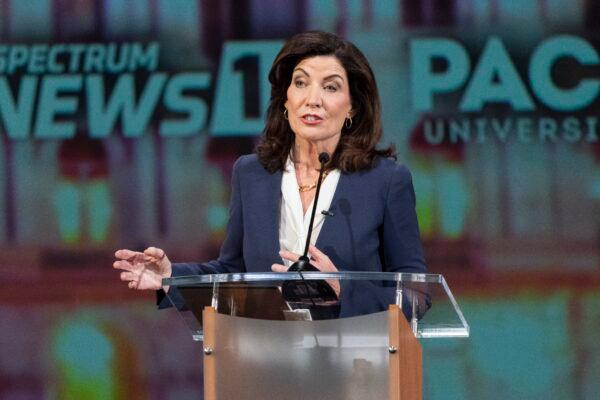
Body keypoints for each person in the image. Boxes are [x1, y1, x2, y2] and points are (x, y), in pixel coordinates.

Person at [113, 31, 427, 316]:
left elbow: (417, 297)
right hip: (267, 363)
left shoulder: (385, 181)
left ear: (353, 107)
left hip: (356, 365)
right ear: (285, 100)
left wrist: (344, 290)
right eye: (300, 83)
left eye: (330, 87)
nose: (312, 99)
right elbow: (232, 270)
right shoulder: (252, 174)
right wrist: (169, 277)